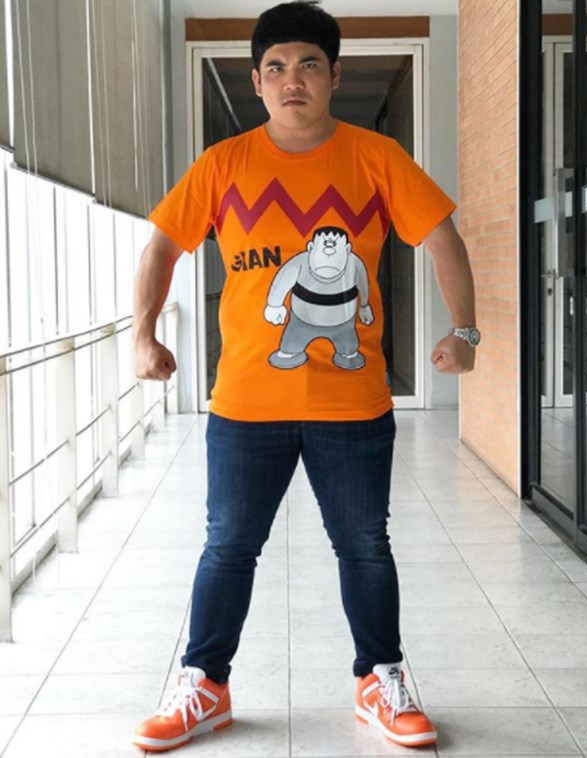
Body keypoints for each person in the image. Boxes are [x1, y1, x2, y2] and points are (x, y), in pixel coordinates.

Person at [131, 3, 478, 752]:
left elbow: (442, 238)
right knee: (228, 547)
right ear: (257, 82)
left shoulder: (375, 157)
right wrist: (143, 333)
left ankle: (379, 680)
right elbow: (162, 245)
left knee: (365, 546)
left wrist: (465, 330)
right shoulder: (223, 164)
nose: (294, 80)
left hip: (352, 403)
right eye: (278, 67)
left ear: (335, 76)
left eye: (310, 65)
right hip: (245, 403)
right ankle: (204, 685)